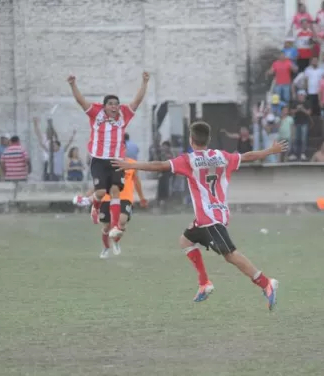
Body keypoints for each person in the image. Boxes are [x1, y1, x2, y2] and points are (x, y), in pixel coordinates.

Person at [112, 121, 287, 310]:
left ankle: (266, 283)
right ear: (208, 139)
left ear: (191, 140)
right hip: (213, 215)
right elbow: (248, 156)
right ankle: (204, 283)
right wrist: (271, 150)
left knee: (230, 255)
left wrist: (131, 165)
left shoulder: (189, 160)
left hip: (210, 219)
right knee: (185, 241)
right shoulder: (222, 156)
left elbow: (159, 165)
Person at [68, 72, 149, 239]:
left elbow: (137, 101)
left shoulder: (124, 115)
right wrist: (72, 84)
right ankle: (94, 206)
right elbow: (81, 101)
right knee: (100, 192)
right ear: (104, 106)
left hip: (116, 161)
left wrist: (144, 82)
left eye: (116, 104)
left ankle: (115, 226)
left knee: (114, 191)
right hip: (98, 159)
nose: (114, 107)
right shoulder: (96, 113)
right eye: (110, 104)